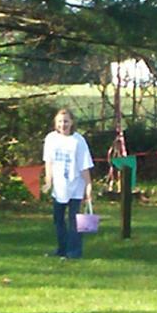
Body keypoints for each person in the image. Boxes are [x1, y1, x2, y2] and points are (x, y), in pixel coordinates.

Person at [42, 108, 93, 259]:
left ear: (71, 122)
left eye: (66, 121)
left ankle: (74, 252)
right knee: (58, 220)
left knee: (75, 220)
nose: (63, 124)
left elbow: (84, 165)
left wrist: (88, 186)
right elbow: (48, 161)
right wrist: (48, 180)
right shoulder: (51, 138)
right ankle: (62, 249)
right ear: (55, 123)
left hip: (75, 186)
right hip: (59, 187)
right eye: (60, 121)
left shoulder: (78, 141)